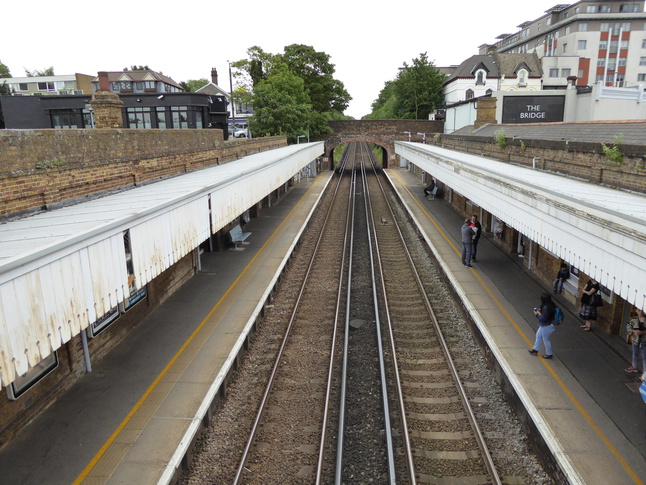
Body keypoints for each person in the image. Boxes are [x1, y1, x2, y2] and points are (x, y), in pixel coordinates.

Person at [529, 292, 557, 359]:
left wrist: (537, 314)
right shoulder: (551, 305)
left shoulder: (546, 307)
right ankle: (535, 349)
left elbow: (543, 318)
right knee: (538, 336)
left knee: (546, 340)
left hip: (546, 326)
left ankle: (549, 354)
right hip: (547, 325)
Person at [626, 309, 646, 373]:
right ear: (636, 311)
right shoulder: (633, 319)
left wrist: (642, 332)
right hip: (635, 339)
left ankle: (645, 371)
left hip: (644, 340)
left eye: (642, 310)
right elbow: (628, 327)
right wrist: (634, 331)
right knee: (635, 353)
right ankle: (634, 366)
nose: (640, 312)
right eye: (639, 310)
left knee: (644, 356)